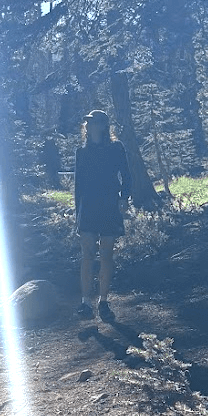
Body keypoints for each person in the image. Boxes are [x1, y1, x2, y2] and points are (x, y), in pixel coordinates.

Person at [74, 109, 132, 321]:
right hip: (88, 206)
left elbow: (126, 175)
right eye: (88, 123)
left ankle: (104, 301)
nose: (89, 126)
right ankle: (85, 302)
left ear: (103, 126)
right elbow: (78, 185)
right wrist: (76, 213)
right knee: (87, 254)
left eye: (94, 122)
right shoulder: (82, 151)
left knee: (106, 254)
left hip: (109, 205)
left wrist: (124, 198)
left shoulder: (116, 148)